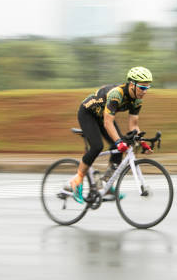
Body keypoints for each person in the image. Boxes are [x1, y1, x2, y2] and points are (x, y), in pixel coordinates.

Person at [65, 66, 154, 203]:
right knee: (97, 146)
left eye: (147, 88)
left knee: (120, 145)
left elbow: (133, 125)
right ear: (132, 84)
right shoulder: (116, 94)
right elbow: (108, 123)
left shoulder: (137, 100)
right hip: (88, 114)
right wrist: (119, 142)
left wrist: (142, 142)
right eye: (142, 87)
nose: (145, 91)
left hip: (103, 117)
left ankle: (106, 183)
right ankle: (77, 180)